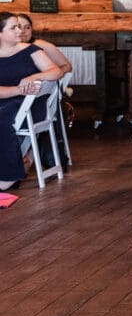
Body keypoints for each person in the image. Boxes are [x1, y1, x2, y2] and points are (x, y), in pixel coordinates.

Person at [1, 12, 63, 191]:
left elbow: (55, 72)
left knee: (1, 120)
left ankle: (8, 177)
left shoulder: (31, 50)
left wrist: (34, 76)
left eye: (19, 26)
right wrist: (17, 89)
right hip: (6, 99)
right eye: (13, 27)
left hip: (30, 106)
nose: (20, 30)